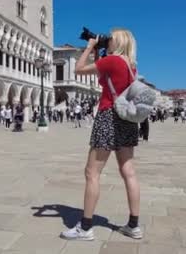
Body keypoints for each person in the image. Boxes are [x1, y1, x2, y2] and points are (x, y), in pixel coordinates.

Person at [61, 29, 142, 241]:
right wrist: (99, 53)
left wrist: (89, 47)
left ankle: (85, 227)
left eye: (110, 38)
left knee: (92, 173)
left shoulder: (112, 61)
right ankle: (134, 225)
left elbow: (78, 69)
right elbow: (104, 82)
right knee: (128, 171)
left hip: (108, 117)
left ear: (119, 42)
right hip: (127, 120)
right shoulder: (130, 65)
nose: (107, 40)